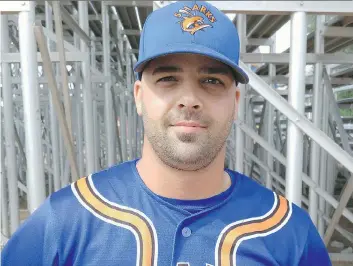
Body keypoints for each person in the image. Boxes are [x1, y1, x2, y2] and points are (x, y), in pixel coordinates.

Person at [2, 1, 331, 265]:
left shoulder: (289, 233)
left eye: (212, 81)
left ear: (235, 102)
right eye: (167, 79)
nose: (189, 99)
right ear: (139, 96)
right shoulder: (65, 220)